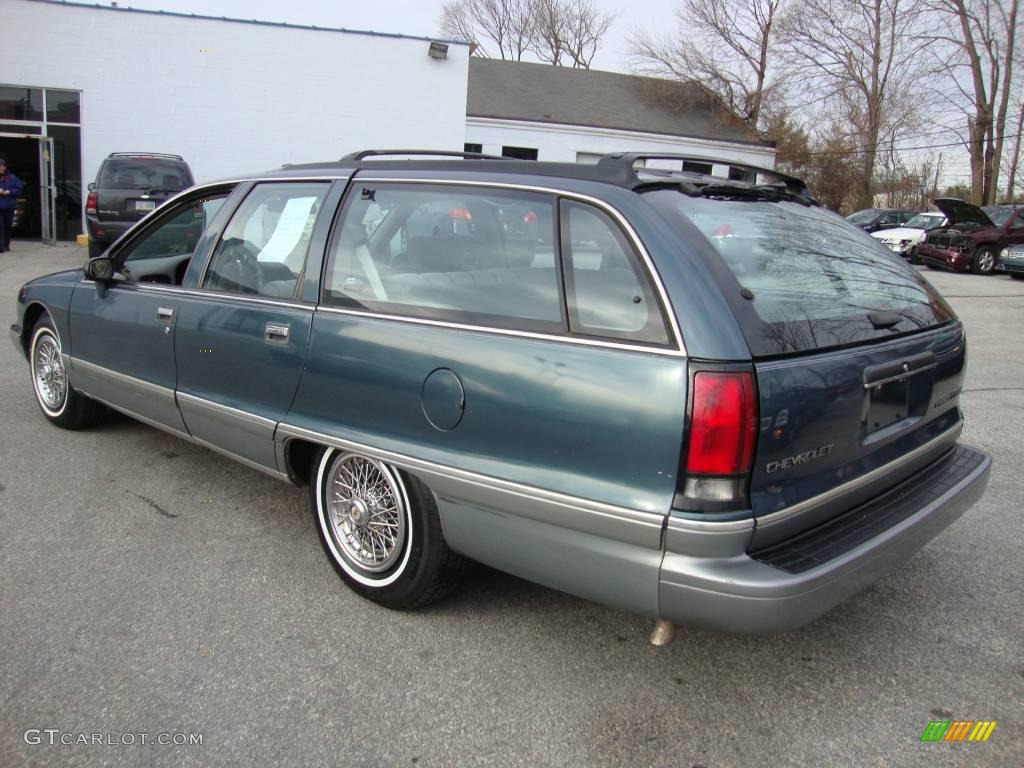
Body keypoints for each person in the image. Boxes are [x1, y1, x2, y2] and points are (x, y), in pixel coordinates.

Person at [0, 157, 24, 252]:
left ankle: (6, 245)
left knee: (7, 225)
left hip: (9, 205)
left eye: (1, 166)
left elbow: (19, 190)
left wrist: (9, 192)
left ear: (5, 167)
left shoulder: (12, 178)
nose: (0, 168)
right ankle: (1, 246)